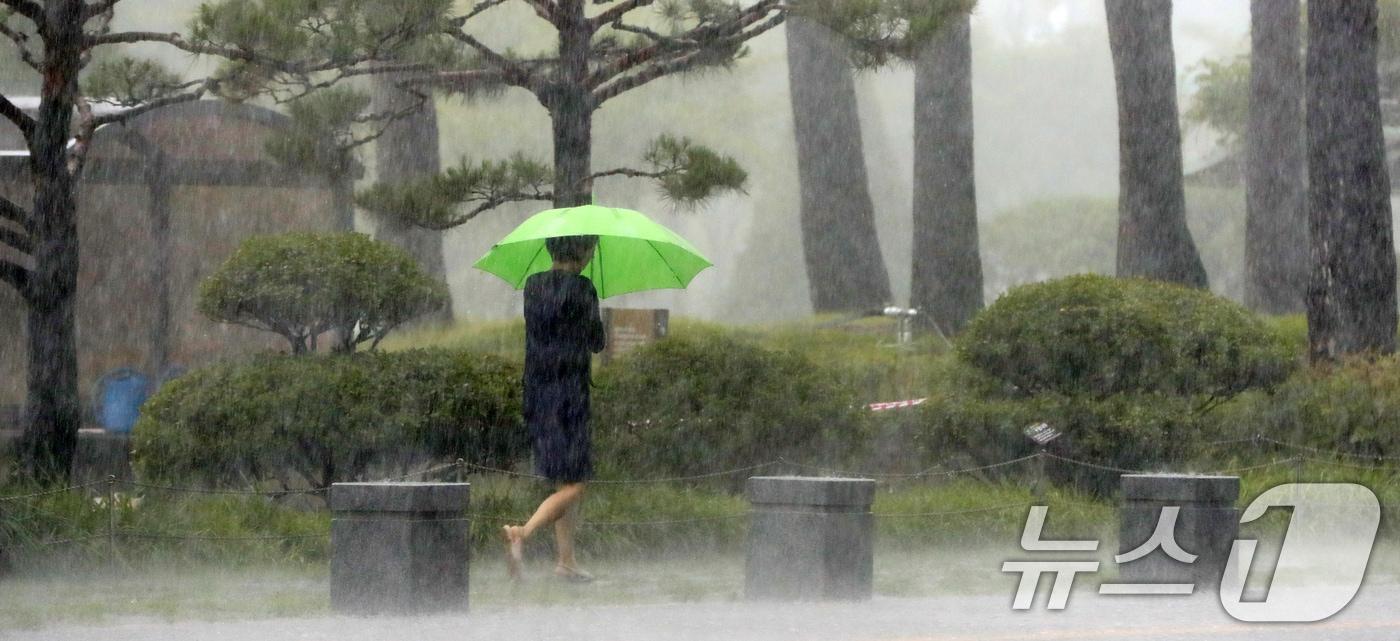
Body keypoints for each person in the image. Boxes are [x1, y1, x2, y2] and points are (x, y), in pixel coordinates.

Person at [503, 235, 606, 583]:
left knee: (564, 478)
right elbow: (597, 342)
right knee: (576, 485)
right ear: (583, 252)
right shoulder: (583, 289)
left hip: (537, 393)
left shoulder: (533, 286)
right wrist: (592, 305)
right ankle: (523, 532)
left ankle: (566, 561)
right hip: (570, 397)